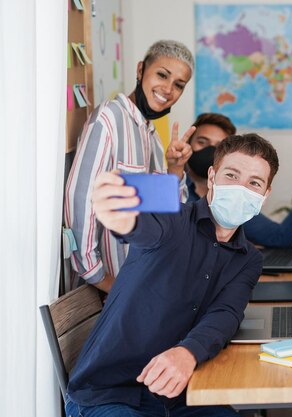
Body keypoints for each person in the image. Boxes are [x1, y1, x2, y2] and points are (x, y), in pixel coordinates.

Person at [65, 133, 279, 417]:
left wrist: (188, 352)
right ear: (212, 176)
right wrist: (120, 217)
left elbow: (226, 313)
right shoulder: (174, 218)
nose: (241, 188)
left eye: (254, 183)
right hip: (110, 392)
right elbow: (142, 226)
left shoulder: (248, 259)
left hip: (179, 395)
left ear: (265, 195)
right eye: (231, 175)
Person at [64, 40, 196, 293]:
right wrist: (100, 278)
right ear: (140, 70)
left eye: (178, 85)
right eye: (162, 75)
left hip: (143, 284)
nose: (168, 89)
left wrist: (176, 170)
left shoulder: (153, 136)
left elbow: (168, 216)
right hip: (107, 290)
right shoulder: (109, 119)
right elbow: (80, 201)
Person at [186, 112, 292, 248]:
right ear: (188, 144)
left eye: (218, 147)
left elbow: (280, 237)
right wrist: (175, 171)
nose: (209, 151)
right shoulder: (171, 187)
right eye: (202, 142)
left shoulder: (235, 200)